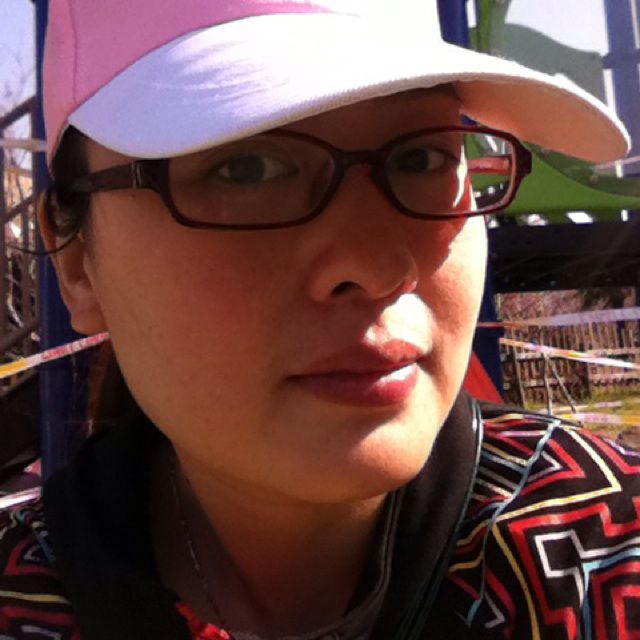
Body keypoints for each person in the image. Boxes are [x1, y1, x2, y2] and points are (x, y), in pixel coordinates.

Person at [1, 1, 638, 639]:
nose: (378, 266)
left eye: (421, 158)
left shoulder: (607, 548)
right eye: (246, 169)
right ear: (77, 263)